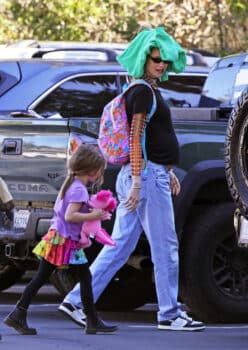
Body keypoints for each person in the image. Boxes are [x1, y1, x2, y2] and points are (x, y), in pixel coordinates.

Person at [59, 26, 206, 331]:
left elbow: (152, 138)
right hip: (144, 177)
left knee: (119, 245)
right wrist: (141, 181)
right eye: (155, 59)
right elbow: (136, 138)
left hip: (147, 174)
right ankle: (169, 314)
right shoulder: (141, 91)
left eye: (164, 59)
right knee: (165, 246)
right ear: (143, 60)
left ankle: (76, 301)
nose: (161, 64)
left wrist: (165, 172)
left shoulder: (145, 90)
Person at [3, 144, 118, 335]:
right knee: (62, 277)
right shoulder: (79, 189)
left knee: (63, 277)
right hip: (64, 241)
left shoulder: (71, 184)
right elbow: (70, 216)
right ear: (92, 170)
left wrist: (90, 212)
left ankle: (91, 319)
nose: (101, 173)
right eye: (100, 169)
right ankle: (91, 319)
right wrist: (93, 215)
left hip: (61, 238)